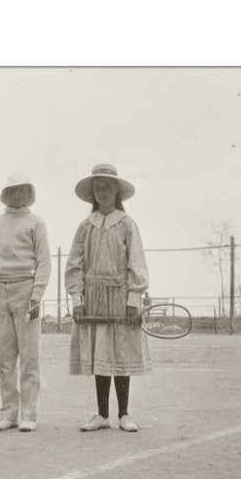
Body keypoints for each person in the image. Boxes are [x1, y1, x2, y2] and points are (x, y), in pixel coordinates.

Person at [65, 164, 151, 432]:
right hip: (93, 298)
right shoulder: (85, 226)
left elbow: (136, 262)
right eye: (97, 188)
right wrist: (77, 301)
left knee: (120, 352)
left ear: (117, 192)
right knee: (100, 352)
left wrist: (133, 301)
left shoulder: (127, 225)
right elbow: (74, 265)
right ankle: (102, 415)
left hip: (120, 297)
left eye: (107, 187)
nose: (102, 192)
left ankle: (123, 414)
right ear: (92, 193)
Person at [0, 172, 51, 432]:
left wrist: (37, 296)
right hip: (0, 291)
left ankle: (29, 414)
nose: (17, 195)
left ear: (29, 192)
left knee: (29, 356)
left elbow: (44, 262)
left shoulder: (36, 223)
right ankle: (8, 413)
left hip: (26, 289)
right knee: (5, 357)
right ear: (6, 194)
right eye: (13, 191)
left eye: (22, 190)